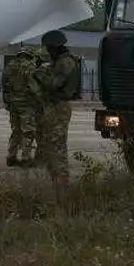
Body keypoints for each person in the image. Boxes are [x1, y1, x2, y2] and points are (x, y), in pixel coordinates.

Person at [32, 30, 82, 189]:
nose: (47, 51)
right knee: (49, 144)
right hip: (53, 106)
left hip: (59, 106)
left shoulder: (65, 62)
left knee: (57, 145)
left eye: (49, 48)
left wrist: (39, 74)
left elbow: (53, 84)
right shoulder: (59, 61)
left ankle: (62, 183)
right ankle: (55, 180)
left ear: (54, 47)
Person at [2, 49, 39, 167]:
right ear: (29, 56)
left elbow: (4, 84)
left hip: (13, 102)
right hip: (26, 103)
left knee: (15, 130)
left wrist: (7, 100)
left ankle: (11, 156)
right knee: (28, 131)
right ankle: (26, 157)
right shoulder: (30, 67)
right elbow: (34, 87)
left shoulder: (10, 66)